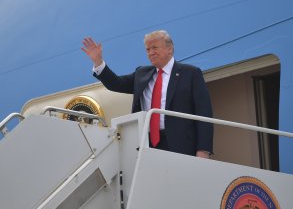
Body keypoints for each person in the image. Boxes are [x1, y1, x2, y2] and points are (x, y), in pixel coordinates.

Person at [81, 30, 213, 158]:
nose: (151, 53)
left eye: (155, 47)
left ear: (170, 49)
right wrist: (98, 62)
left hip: (181, 146)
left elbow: (204, 113)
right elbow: (116, 83)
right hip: (147, 143)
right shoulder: (142, 73)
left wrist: (203, 149)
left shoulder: (190, 73)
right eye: (148, 49)